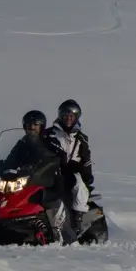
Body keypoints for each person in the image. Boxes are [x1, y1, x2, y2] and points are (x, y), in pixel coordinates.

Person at [46, 99, 98, 240]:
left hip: (71, 171)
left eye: (71, 116)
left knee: (80, 186)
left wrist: (87, 174)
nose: (68, 119)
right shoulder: (49, 134)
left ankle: (77, 220)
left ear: (76, 117)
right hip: (50, 170)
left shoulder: (81, 138)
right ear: (60, 116)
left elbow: (86, 158)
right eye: (65, 115)